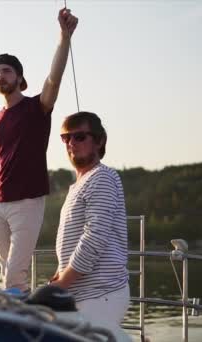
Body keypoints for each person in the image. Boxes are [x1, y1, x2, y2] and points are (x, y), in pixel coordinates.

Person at [0, 8, 79, 292]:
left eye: (6, 71)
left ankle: (23, 324)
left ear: (19, 77)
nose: (0, 76)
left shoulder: (36, 107)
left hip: (27, 202)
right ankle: (19, 325)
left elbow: (53, 80)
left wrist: (64, 37)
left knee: (14, 276)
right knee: (8, 275)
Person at [49, 111, 129, 329]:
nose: (71, 143)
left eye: (80, 137)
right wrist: (60, 273)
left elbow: (94, 238)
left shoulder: (102, 177)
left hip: (100, 294)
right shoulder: (79, 184)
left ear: (99, 140)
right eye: (66, 138)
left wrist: (61, 285)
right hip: (82, 294)